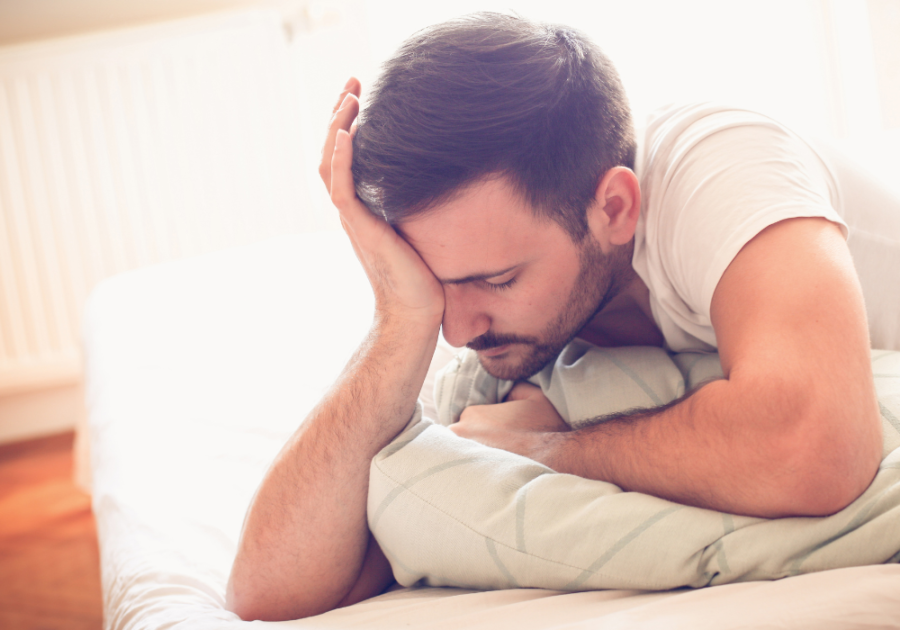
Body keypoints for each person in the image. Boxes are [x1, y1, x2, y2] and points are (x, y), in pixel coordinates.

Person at [225, 12, 883, 622]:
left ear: (616, 210)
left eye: (498, 279)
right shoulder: (470, 321)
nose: (458, 330)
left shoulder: (721, 163)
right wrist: (400, 319)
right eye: (434, 285)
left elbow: (819, 451)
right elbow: (269, 590)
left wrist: (540, 450)